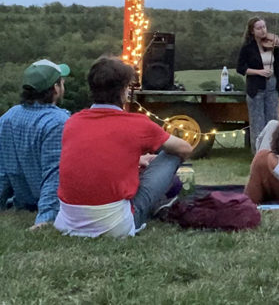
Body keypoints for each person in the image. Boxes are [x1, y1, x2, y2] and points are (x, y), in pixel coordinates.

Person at [54, 56, 193, 237]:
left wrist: (137, 158)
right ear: (124, 91)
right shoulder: (138, 124)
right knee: (173, 155)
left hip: (68, 222)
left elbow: (96, 156)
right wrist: (156, 157)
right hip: (115, 225)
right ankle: (160, 203)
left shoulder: (72, 122)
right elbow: (185, 148)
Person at [0, 59, 70, 230]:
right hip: (48, 202)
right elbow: (54, 174)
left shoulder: (8, 117)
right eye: (61, 82)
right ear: (55, 88)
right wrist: (45, 219)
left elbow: (2, 170)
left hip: (23, 200)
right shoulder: (58, 122)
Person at [237, 17, 279, 153]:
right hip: (256, 87)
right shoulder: (248, 47)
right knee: (257, 124)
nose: (263, 30)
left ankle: (273, 153)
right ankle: (259, 155)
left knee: (273, 122)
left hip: (273, 86)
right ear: (252, 31)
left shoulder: (274, 46)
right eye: (259, 28)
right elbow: (241, 68)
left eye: (264, 27)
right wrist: (259, 72)